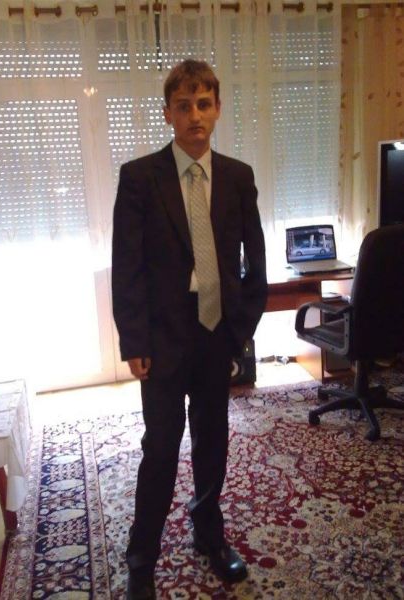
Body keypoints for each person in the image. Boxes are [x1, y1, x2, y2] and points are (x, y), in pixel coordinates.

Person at [112, 59, 268, 600]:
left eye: (204, 104)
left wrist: (241, 328)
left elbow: (254, 260)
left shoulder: (238, 177)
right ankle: (141, 559)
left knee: (212, 440)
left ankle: (208, 533)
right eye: (184, 106)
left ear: (218, 109)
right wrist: (134, 340)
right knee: (161, 448)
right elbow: (127, 266)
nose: (195, 115)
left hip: (216, 332)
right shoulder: (140, 178)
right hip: (161, 339)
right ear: (168, 114)